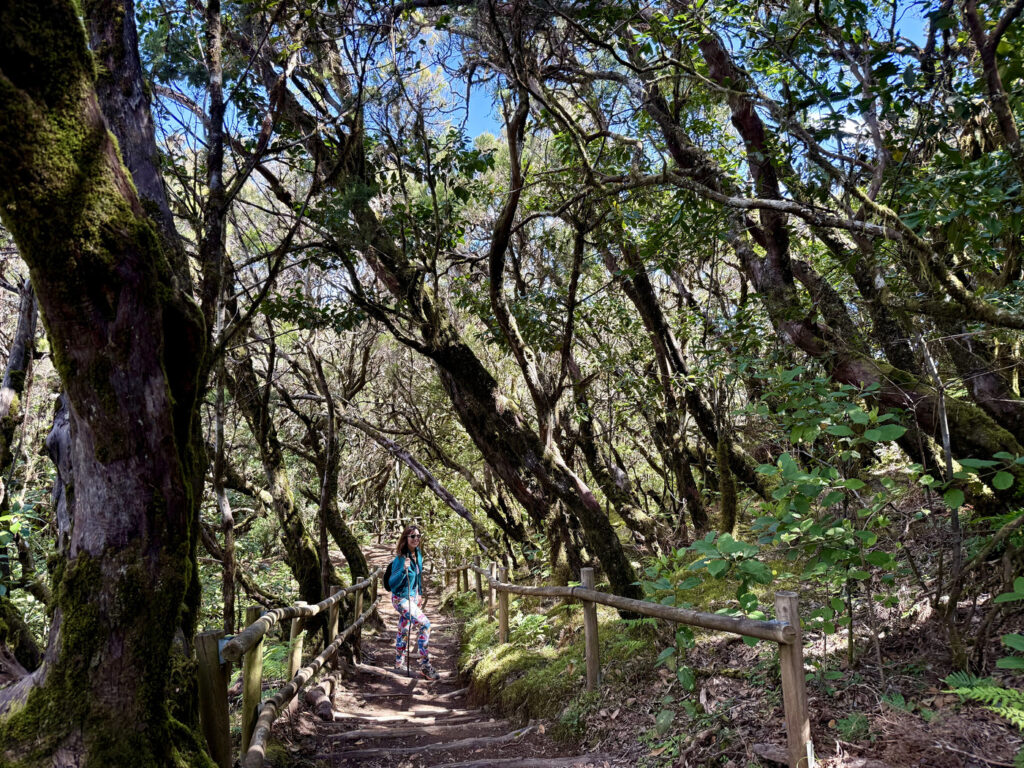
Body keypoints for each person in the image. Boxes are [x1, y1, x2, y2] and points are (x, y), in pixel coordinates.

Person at [388, 525, 439, 680]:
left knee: (404, 629)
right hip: (401, 599)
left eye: (418, 536)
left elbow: (418, 577)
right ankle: (425, 665)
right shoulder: (400, 559)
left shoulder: (418, 555)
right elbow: (392, 583)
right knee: (425, 624)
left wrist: (420, 594)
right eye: (412, 536)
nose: (416, 539)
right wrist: (403, 570)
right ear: (406, 539)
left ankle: (398, 664)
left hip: (413, 598)